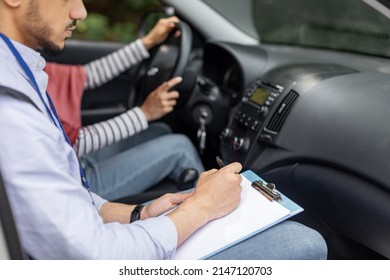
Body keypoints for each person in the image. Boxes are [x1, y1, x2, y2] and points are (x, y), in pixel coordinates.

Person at [0, 0, 327, 260]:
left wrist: (140, 214)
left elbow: (67, 191)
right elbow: (93, 255)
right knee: (307, 242)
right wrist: (201, 208)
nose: (81, 11)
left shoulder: (22, 69)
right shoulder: (12, 114)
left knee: (163, 137)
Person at [44, 16, 204, 200]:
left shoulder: (32, 68)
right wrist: (144, 113)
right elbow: (78, 143)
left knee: (161, 130)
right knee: (180, 148)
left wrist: (147, 42)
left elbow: (89, 75)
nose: (80, 12)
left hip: (72, 160)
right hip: (72, 184)